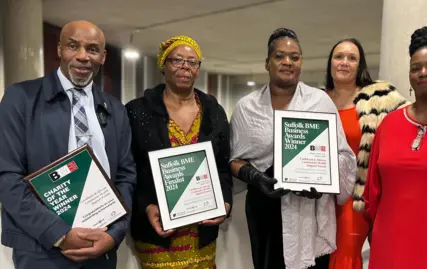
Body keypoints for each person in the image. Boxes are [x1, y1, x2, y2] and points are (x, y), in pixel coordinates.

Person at [324, 37, 427, 269]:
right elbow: (375, 190)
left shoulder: (381, 101)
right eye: (415, 68)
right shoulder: (388, 124)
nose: (423, 72)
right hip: (372, 229)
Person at [0, 20, 136, 269]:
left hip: (101, 247)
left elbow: (127, 176)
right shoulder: (20, 99)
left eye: (92, 49)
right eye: (74, 46)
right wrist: (58, 233)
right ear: (60, 49)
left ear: (103, 57)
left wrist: (114, 233)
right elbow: (7, 176)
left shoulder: (115, 109)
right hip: (41, 249)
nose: (83, 56)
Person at [229, 28, 356, 269]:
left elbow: (343, 156)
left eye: (295, 57)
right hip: (264, 209)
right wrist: (256, 178)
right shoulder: (247, 107)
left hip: (308, 209)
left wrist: (322, 183)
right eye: (280, 56)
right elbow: (234, 159)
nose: (288, 62)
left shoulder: (320, 102)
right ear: (268, 62)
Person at [126, 35, 232, 269]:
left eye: (192, 62)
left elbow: (223, 166)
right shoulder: (137, 111)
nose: (185, 66)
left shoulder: (214, 111)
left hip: (201, 234)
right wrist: (146, 206)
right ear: (163, 65)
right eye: (177, 60)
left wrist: (224, 202)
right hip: (159, 231)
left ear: (198, 69)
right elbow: (128, 171)